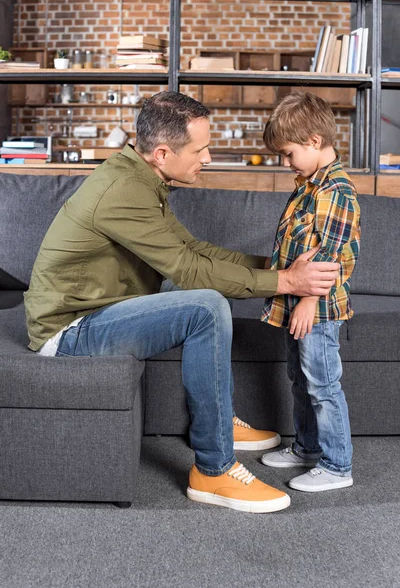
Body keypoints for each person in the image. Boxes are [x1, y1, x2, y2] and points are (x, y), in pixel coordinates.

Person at [24, 91, 340, 513]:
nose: (207, 158)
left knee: (199, 295)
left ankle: (219, 421)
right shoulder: (124, 190)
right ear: (161, 152)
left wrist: (276, 266)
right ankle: (213, 470)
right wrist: (284, 280)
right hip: (70, 331)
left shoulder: (143, 178)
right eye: (201, 149)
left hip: (102, 308)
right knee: (204, 306)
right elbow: (189, 271)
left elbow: (191, 250)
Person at [260, 92, 361, 492]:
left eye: (287, 154)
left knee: (322, 385)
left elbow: (332, 258)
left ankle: (337, 467)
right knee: (301, 380)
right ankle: (306, 447)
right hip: (298, 304)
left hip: (317, 309)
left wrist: (307, 300)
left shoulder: (335, 191)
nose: (286, 163)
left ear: (314, 142)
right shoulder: (308, 185)